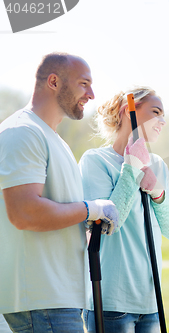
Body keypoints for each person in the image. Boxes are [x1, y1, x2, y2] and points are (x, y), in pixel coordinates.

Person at [0, 52, 118, 332]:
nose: (91, 94)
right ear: (54, 81)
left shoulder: (56, 142)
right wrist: (91, 208)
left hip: (59, 298)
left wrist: (87, 224)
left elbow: (58, 212)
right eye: (83, 83)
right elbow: (25, 213)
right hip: (41, 300)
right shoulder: (23, 132)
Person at [79, 87, 169, 332]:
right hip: (110, 301)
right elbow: (105, 225)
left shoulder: (157, 165)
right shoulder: (95, 161)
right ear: (128, 111)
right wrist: (131, 168)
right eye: (156, 112)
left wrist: (158, 192)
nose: (162, 121)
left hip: (151, 302)